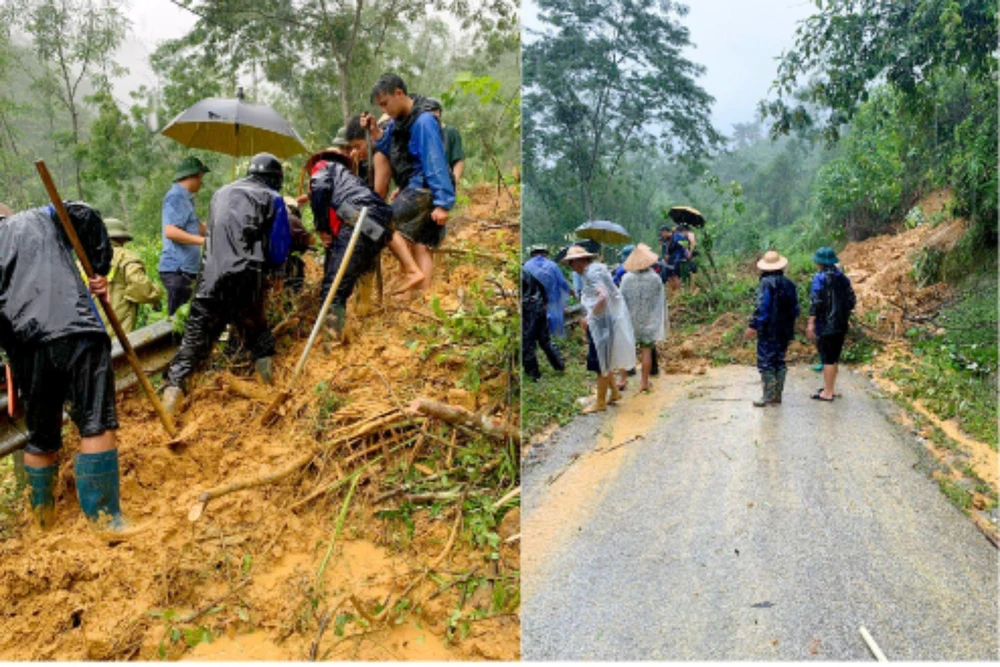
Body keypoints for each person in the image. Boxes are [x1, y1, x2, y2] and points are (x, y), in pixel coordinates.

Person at [0, 201, 126, 530]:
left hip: (25, 347)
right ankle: (104, 522)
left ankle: (42, 524)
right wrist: (98, 269)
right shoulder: (40, 217)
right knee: (95, 422)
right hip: (76, 328)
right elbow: (82, 212)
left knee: (40, 437)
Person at [162, 153, 291, 415]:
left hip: (209, 277)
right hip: (246, 276)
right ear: (275, 179)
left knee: (193, 342)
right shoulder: (273, 198)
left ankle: (170, 402)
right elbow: (278, 250)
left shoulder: (219, 194)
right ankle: (267, 392)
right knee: (258, 337)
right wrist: (276, 272)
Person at [361, 73, 456, 292]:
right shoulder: (399, 122)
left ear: (399, 93)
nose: (384, 110)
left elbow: (435, 161)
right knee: (421, 243)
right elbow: (389, 148)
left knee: (377, 222)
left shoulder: (423, 121)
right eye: (380, 106)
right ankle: (422, 299)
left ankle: (412, 272)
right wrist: (374, 130)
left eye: (385, 104)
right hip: (415, 187)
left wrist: (443, 203)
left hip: (423, 188)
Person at [305, 148, 394, 342]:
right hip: (380, 226)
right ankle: (364, 314)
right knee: (358, 268)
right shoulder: (350, 180)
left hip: (358, 219)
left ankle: (332, 345)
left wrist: (321, 228)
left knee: (333, 290)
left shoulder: (323, 168)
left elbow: (319, 186)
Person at [343, 115, 424, 293]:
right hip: (416, 188)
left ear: (369, 138)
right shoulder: (383, 143)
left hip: (418, 190)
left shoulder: (379, 154)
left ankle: (411, 270)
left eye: (358, 146)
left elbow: (379, 193)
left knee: (380, 225)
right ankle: (410, 276)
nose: (356, 151)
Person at [562, 245, 635, 414]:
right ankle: (614, 393)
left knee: (600, 361)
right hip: (607, 319)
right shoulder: (598, 269)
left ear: (579, 262)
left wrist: (589, 317)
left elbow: (603, 296)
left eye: (571, 264)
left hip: (601, 322)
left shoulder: (591, 273)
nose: (572, 268)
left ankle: (600, 401)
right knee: (605, 359)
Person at [744, 250, 799, 407]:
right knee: (779, 361)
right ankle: (777, 396)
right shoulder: (790, 284)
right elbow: (795, 309)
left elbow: (763, 308)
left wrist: (754, 326)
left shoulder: (765, 284)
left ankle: (767, 396)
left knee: (766, 362)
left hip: (769, 330)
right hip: (785, 330)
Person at [158, 156, 210, 315]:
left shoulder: (186, 199)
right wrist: (203, 241)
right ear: (194, 175)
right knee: (179, 322)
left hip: (186, 271)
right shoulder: (176, 197)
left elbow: (197, 228)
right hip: (178, 271)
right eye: (201, 177)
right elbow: (171, 231)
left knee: (188, 320)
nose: (202, 182)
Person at [807, 246, 856, 402]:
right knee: (834, 357)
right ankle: (830, 389)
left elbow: (816, 302)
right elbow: (851, 301)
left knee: (827, 358)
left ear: (820, 263)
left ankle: (827, 393)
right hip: (841, 324)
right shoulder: (843, 278)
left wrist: (811, 323)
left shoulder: (819, 278)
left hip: (826, 324)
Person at [101, 218, 163, 333]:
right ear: (121, 238)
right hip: (118, 334)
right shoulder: (125, 257)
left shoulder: (82, 262)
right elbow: (142, 289)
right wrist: (157, 294)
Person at [619, 244, 666, 393]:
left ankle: (622, 380)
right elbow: (659, 301)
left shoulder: (626, 279)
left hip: (630, 321)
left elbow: (621, 301)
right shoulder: (655, 279)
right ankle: (644, 383)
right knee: (646, 352)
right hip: (648, 321)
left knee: (625, 350)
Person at [522, 269, 565, 381]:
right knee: (545, 340)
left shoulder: (522, 273)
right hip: (539, 306)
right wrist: (544, 303)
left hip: (527, 309)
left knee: (527, 343)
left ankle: (534, 376)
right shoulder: (528, 271)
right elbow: (542, 287)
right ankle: (559, 365)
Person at [523, 244, 572, 337]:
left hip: (532, 301)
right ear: (545, 254)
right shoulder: (552, 266)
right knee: (552, 320)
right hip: (552, 300)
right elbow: (562, 283)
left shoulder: (526, 266)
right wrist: (569, 292)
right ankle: (553, 337)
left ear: (532, 254)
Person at [428, 98, 465, 188]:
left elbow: (458, 160)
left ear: (438, 112)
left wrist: (454, 182)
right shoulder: (422, 134)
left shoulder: (451, 133)